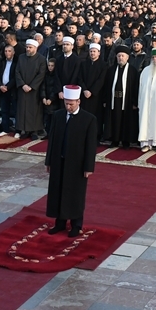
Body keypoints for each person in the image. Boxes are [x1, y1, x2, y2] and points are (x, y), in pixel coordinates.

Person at [45, 85, 98, 237]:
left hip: (77, 164)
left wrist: (89, 167)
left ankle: (76, 225)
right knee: (58, 191)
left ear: (79, 102)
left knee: (75, 193)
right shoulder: (58, 116)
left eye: (71, 104)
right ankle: (60, 222)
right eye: (66, 103)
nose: (68, 106)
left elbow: (90, 146)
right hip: (59, 161)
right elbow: (52, 140)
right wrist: (49, 162)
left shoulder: (89, 120)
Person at [106, 45, 140, 148]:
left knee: (126, 120)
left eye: (123, 56)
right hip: (114, 100)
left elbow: (136, 87)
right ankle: (115, 140)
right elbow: (107, 86)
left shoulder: (133, 71)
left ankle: (126, 141)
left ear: (127, 57)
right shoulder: (111, 70)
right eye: (119, 56)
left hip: (127, 100)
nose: (120, 58)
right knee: (114, 120)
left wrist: (135, 102)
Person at [14, 38, 46, 140]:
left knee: (34, 111)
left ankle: (34, 131)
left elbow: (41, 75)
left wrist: (31, 86)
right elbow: (17, 72)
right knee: (22, 110)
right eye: (27, 47)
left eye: (30, 47)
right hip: (22, 88)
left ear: (35, 48)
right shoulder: (21, 57)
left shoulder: (41, 59)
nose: (28, 49)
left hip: (34, 90)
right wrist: (23, 85)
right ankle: (25, 130)